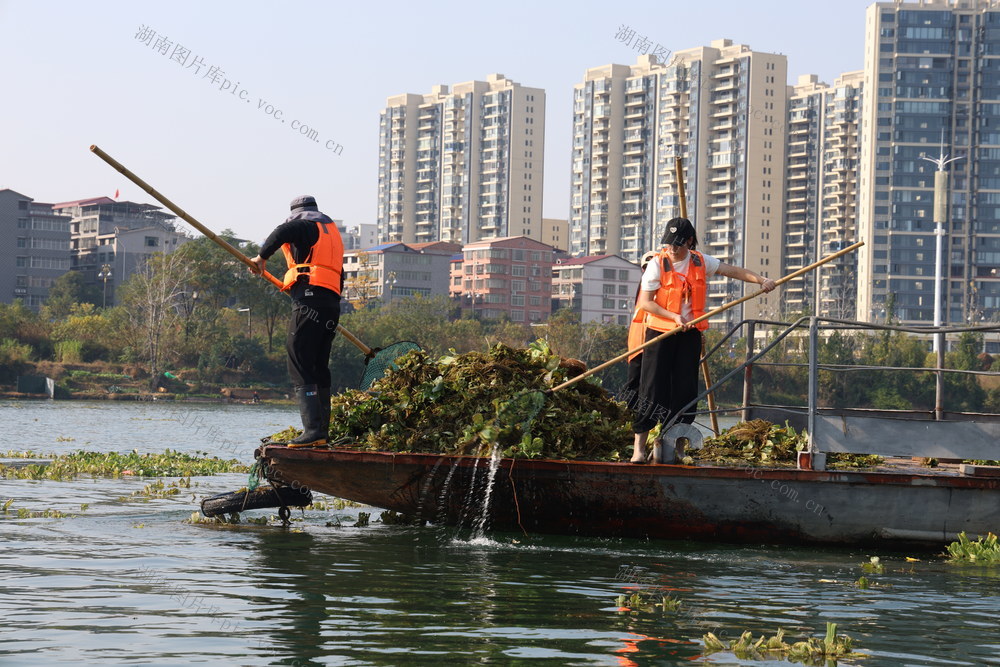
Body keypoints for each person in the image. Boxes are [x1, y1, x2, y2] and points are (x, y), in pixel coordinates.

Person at [630, 217, 776, 464]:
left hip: (689, 335)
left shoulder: (699, 261)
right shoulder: (658, 264)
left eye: (677, 244)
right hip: (660, 333)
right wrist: (673, 316)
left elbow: (733, 271)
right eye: (669, 243)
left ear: (689, 241)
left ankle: (676, 447)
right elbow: (646, 302)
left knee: (685, 391)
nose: (672, 249)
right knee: (651, 390)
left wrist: (761, 281)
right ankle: (639, 450)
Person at [249, 195, 344, 447]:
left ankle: (313, 430)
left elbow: (282, 231)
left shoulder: (304, 224)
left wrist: (261, 258)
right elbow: (338, 275)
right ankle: (321, 432)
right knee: (318, 365)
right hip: (331, 305)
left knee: (298, 357)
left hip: (310, 300)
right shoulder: (330, 233)